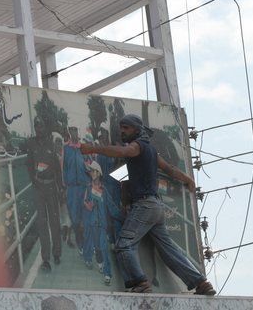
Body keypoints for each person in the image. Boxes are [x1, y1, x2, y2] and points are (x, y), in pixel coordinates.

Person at [80, 114, 216, 295]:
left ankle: (140, 283)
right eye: (121, 127)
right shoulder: (151, 150)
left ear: (137, 129)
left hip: (144, 205)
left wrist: (90, 148)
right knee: (168, 249)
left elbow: (122, 152)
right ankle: (201, 283)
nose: (122, 131)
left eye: (126, 128)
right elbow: (170, 169)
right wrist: (187, 179)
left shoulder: (137, 146)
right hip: (155, 206)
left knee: (124, 244)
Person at [26, 116, 63, 272]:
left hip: (52, 188)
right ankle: (46, 258)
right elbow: (28, 163)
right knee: (42, 224)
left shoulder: (52, 143)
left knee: (54, 222)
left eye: (40, 126)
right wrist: (33, 180)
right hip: (39, 188)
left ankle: (56, 253)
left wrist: (61, 187)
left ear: (45, 128)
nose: (38, 129)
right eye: (36, 126)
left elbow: (58, 168)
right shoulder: (31, 143)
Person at [82, 160, 122, 286]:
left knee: (104, 249)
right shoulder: (88, 189)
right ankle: (98, 264)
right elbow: (85, 204)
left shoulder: (104, 190)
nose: (91, 173)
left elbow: (111, 206)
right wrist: (88, 206)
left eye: (93, 171)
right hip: (92, 223)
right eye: (90, 171)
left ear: (98, 173)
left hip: (102, 225)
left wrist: (122, 217)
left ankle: (107, 274)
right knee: (97, 248)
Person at [63, 126, 90, 254]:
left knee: (85, 217)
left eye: (76, 130)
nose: (74, 132)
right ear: (70, 132)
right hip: (72, 188)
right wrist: (64, 186)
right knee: (74, 218)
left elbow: (90, 164)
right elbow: (63, 168)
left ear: (78, 132)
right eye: (72, 130)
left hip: (84, 186)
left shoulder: (83, 148)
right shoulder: (66, 148)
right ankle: (80, 243)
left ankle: (86, 243)